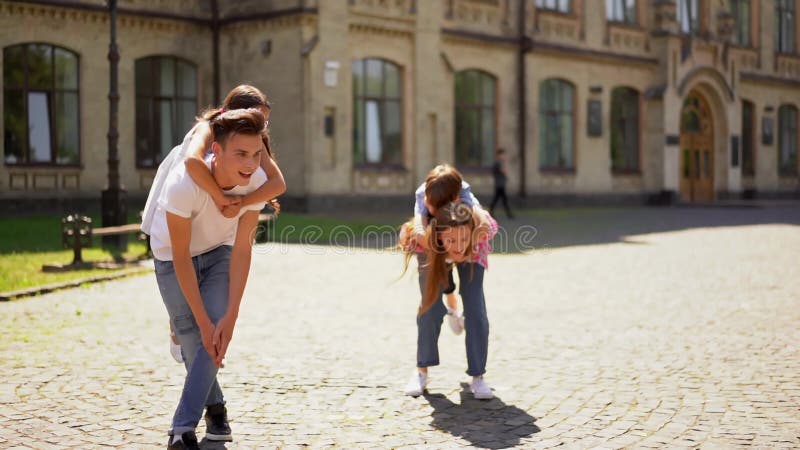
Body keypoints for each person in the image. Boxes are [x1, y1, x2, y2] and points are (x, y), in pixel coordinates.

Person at [147, 108, 285, 449]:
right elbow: (180, 256)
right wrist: (205, 323)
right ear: (216, 150)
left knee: (216, 335)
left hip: (217, 255)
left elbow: (241, 251)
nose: (251, 164)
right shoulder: (183, 184)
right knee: (196, 337)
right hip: (170, 258)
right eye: (241, 153)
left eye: (256, 155)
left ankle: (181, 430)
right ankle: (217, 410)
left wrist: (231, 315)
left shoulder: (254, 183)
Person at [142, 85, 285, 364]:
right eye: (257, 117)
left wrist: (240, 204)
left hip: (212, 210)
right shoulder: (208, 129)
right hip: (184, 193)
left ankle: (189, 332)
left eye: (265, 122)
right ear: (233, 112)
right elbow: (192, 162)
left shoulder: (252, 144)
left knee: (209, 257)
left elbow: (278, 183)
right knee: (181, 255)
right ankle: (178, 324)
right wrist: (220, 197)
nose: (261, 127)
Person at [400, 201, 498, 400]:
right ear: (438, 236)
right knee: (429, 308)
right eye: (451, 240)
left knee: (475, 310)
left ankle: (478, 376)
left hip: (474, 256)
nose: (459, 247)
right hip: (433, 254)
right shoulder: (423, 238)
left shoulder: (480, 235)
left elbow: (489, 224)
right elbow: (407, 234)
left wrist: (467, 240)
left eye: (463, 239)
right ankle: (421, 371)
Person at [408, 164, 483, 334]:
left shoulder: (464, 194)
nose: (431, 208)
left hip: (461, 233)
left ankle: (466, 311)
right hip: (438, 233)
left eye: (436, 205)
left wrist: (466, 246)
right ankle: (452, 307)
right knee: (444, 275)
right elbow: (420, 223)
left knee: (469, 278)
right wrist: (429, 242)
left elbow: (478, 221)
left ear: (454, 199)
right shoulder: (423, 194)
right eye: (430, 204)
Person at [489, 148, 514, 219]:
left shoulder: (499, 163)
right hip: (499, 184)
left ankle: (508, 214)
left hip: (500, 184)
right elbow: (503, 171)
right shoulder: (498, 163)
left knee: (499, 199)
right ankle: (509, 214)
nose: (504, 156)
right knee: (500, 199)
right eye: (502, 155)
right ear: (499, 155)